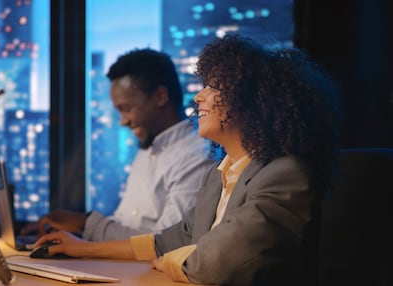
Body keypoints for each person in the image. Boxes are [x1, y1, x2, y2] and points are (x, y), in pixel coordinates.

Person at [32, 34, 342, 285]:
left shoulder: (285, 173)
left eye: (214, 87)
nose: (198, 97)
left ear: (253, 102)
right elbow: (170, 240)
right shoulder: (219, 176)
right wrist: (82, 249)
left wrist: (165, 262)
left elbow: (214, 263)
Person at [21, 48, 217, 241]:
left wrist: (85, 224)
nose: (123, 121)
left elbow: (165, 242)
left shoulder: (197, 155)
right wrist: (77, 235)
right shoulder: (148, 149)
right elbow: (127, 224)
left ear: (160, 96)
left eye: (127, 109)